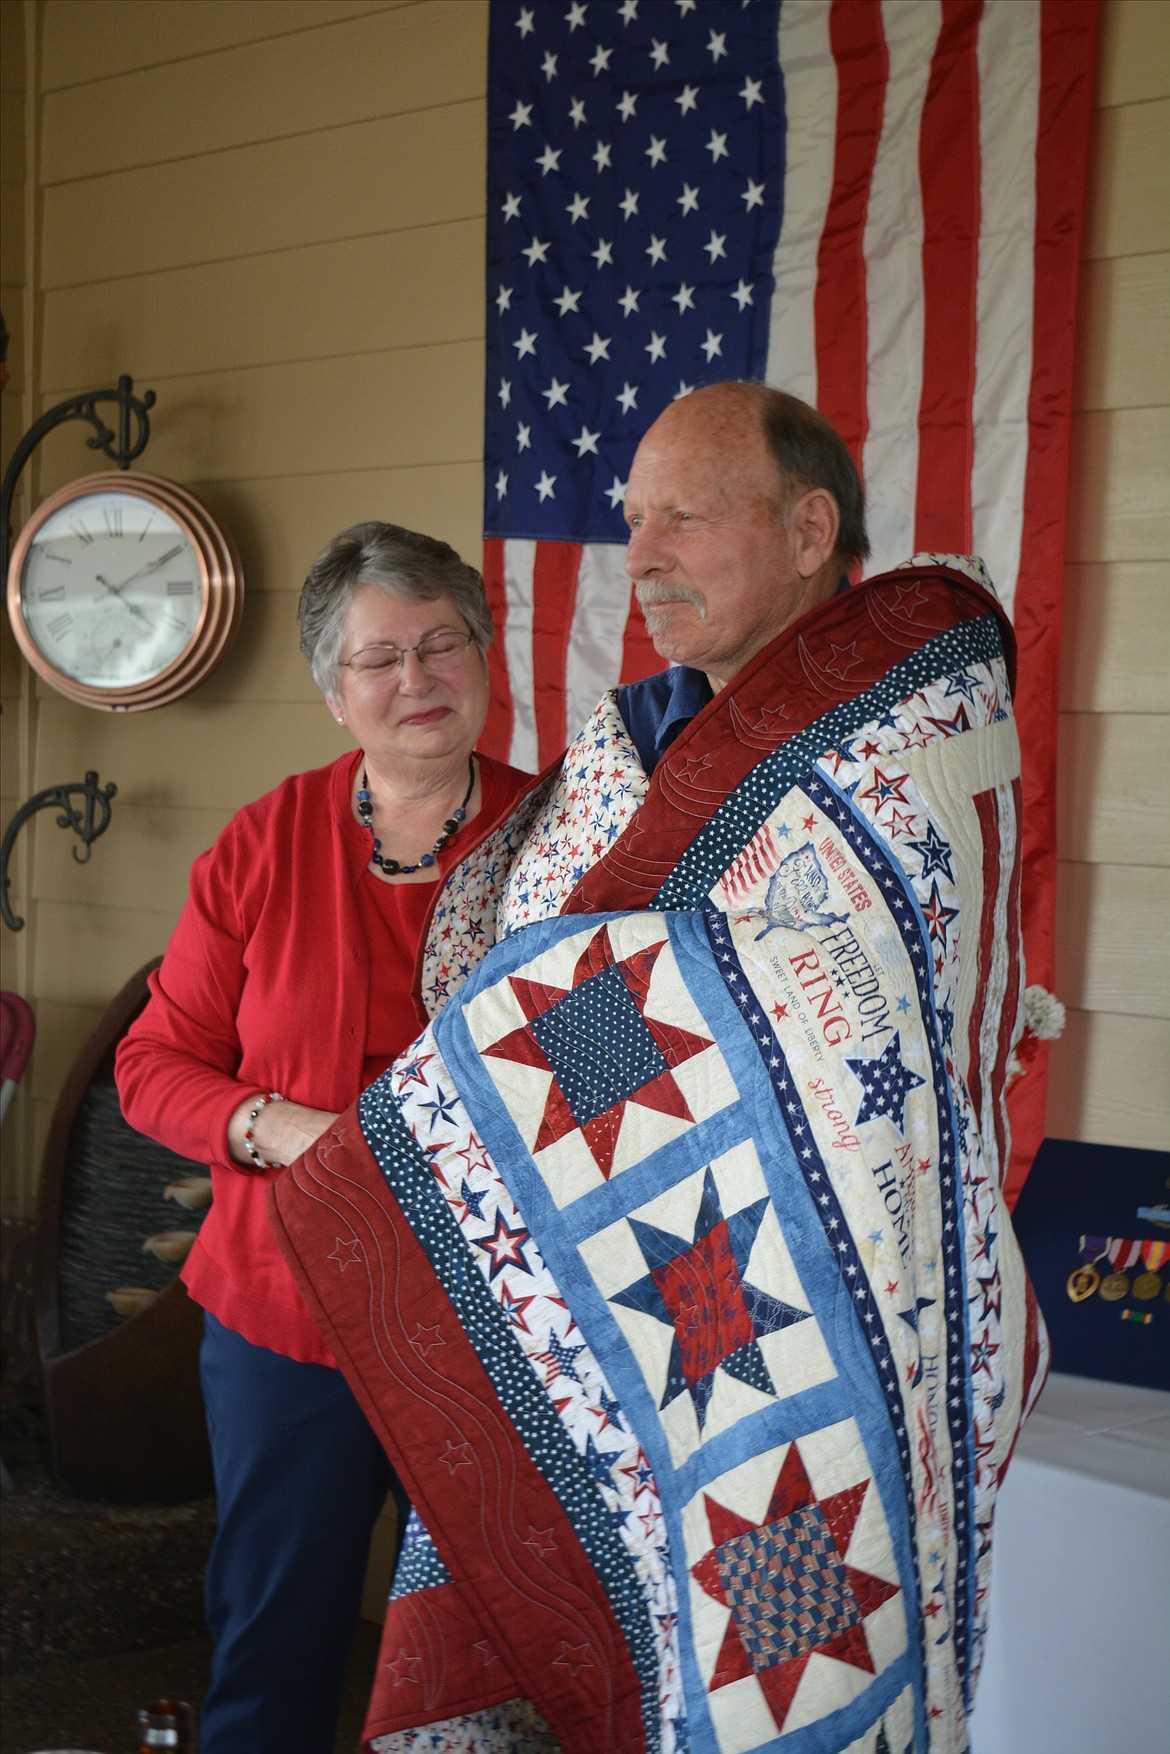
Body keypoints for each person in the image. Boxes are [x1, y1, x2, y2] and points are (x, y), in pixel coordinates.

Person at [271, 387, 1047, 1754]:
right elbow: (511, 963)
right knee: (569, 1644)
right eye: (633, 522)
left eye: (682, 515)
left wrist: (543, 1018)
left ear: (809, 528)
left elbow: (859, 1009)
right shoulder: (623, 749)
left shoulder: (904, 723)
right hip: (601, 1299)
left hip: (810, 1312)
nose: (644, 557)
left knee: (773, 1653)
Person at [115, 522, 532, 1754]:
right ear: (335, 690)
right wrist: (272, 1121)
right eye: (379, 657)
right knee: (275, 1631)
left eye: (443, 641)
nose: (417, 678)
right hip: (284, 1313)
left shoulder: (563, 838)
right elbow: (152, 1063)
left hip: (496, 1316)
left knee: (501, 1644)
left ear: (485, 650)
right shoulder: (260, 842)